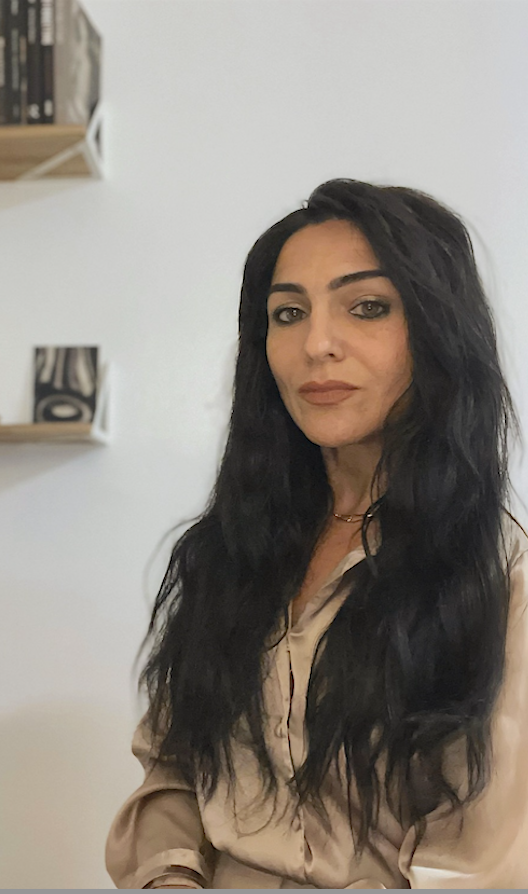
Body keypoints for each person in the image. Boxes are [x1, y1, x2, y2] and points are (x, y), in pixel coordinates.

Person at [105, 179, 528, 889]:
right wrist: (171, 878)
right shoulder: (227, 551)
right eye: (288, 313)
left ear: (437, 331)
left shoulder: (499, 578)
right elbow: (177, 771)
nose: (317, 344)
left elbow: (486, 857)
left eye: (367, 307)